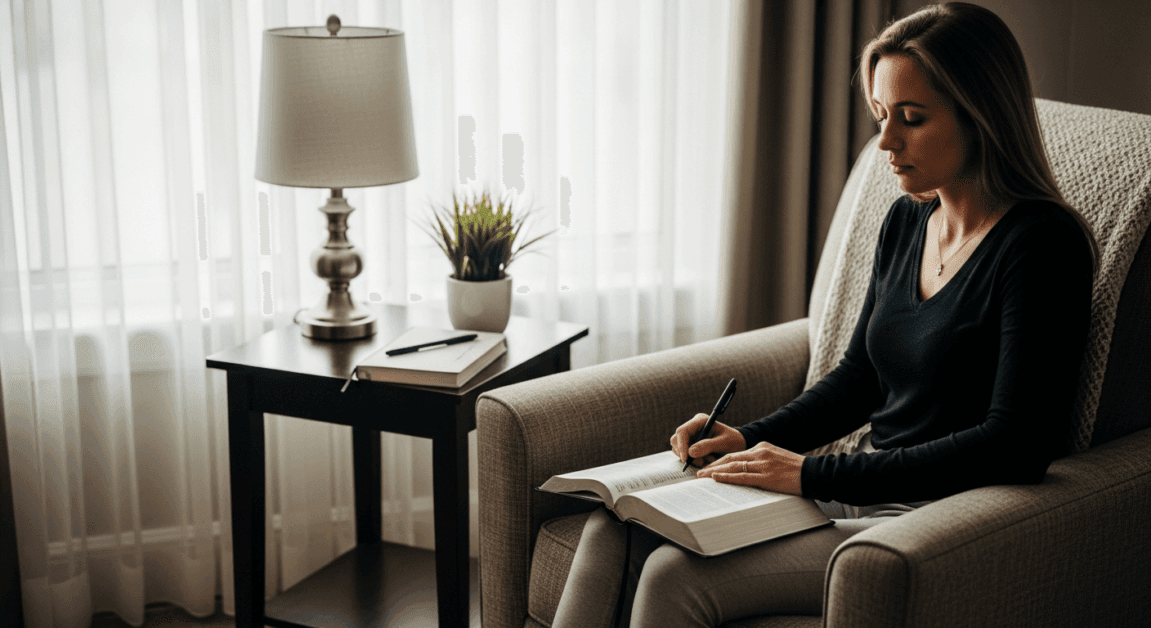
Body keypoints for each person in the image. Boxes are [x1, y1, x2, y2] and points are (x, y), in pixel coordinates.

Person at [550, 3, 1097, 627]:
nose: (886, 142)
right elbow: (861, 377)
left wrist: (812, 473)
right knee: (611, 528)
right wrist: (748, 438)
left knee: (674, 576)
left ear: (982, 116)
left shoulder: (1042, 245)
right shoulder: (909, 220)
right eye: (882, 115)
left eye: (912, 119)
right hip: (857, 484)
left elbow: (1015, 444)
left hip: (932, 516)